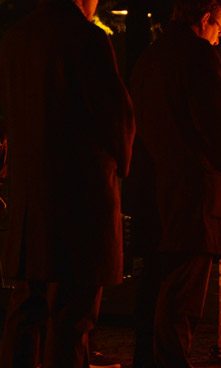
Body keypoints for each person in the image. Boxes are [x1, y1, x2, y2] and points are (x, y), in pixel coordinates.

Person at [0, 0, 135, 366]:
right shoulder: (86, 39)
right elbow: (115, 116)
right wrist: (120, 164)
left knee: (28, 308)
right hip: (80, 202)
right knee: (72, 318)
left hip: (32, 203)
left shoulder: (14, 40)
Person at [125, 0, 221, 366]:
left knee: (153, 294)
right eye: (219, 29)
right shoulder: (198, 56)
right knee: (183, 301)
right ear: (205, 18)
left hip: (153, 195)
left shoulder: (147, 60)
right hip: (193, 197)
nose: (218, 40)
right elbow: (214, 123)